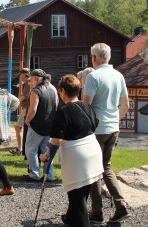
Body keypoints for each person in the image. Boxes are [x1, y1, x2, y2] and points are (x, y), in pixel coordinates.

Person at [41, 74, 103, 227]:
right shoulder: (86, 105)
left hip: (77, 156)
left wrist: (46, 155)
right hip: (93, 150)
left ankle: (79, 222)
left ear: (62, 91)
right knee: (82, 194)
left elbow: (56, 140)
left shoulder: (63, 111)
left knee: (77, 198)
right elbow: (95, 125)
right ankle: (70, 218)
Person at [83, 43, 130, 223]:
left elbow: (86, 106)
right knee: (107, 167)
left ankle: (97, 212)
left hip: (97, 129)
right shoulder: (118, 76)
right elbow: (125, 105)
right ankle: (120, 205)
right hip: (113, 128)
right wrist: (114, 121)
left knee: (94, 171)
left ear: (94, 58)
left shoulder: (93, 76)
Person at [24, 69, 56, 181]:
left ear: (37, 79)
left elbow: (33, 109)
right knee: (46, 151)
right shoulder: (53, 89)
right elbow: (55, 106)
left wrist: (27, 120)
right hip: (49, 125)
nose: (29, 83)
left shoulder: (35, 91)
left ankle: (34, 175)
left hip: (37, 125)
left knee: (30, 150)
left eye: (31, 80)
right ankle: (49, 175)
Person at [9, 68, 30, 155]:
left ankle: (20, 148)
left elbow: (24, 96)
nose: (19, 77)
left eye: (20, 74)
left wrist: (15, 102)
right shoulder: (28, 83)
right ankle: (22, 148)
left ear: (24, 75)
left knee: (18, 127)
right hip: (27, 107)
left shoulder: (28, 83)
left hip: (27, 108)